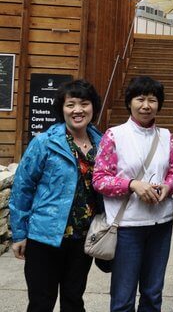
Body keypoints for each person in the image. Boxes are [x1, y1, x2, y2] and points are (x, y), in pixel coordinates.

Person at [10, 79, 103, 312]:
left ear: (93, 107)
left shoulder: (103, 144)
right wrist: (20, 234)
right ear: (62, 109)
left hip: (83, 238)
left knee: (74, 300)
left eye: (84, 104)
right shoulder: (44, 142)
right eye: (70, 104)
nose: (78, 110)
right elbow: (23, 187)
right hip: (45, 236)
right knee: (41, 302)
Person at [93, 76, 173, 312]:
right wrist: (132, 184)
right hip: (126, 227)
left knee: (153, 294)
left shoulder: (166, 136)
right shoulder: (114, 135)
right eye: (140, 99)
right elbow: (99, 179)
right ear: (130, 102)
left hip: (161, 224)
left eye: (152, 100)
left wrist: (168, 187)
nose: (146, 105)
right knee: (123, 298)